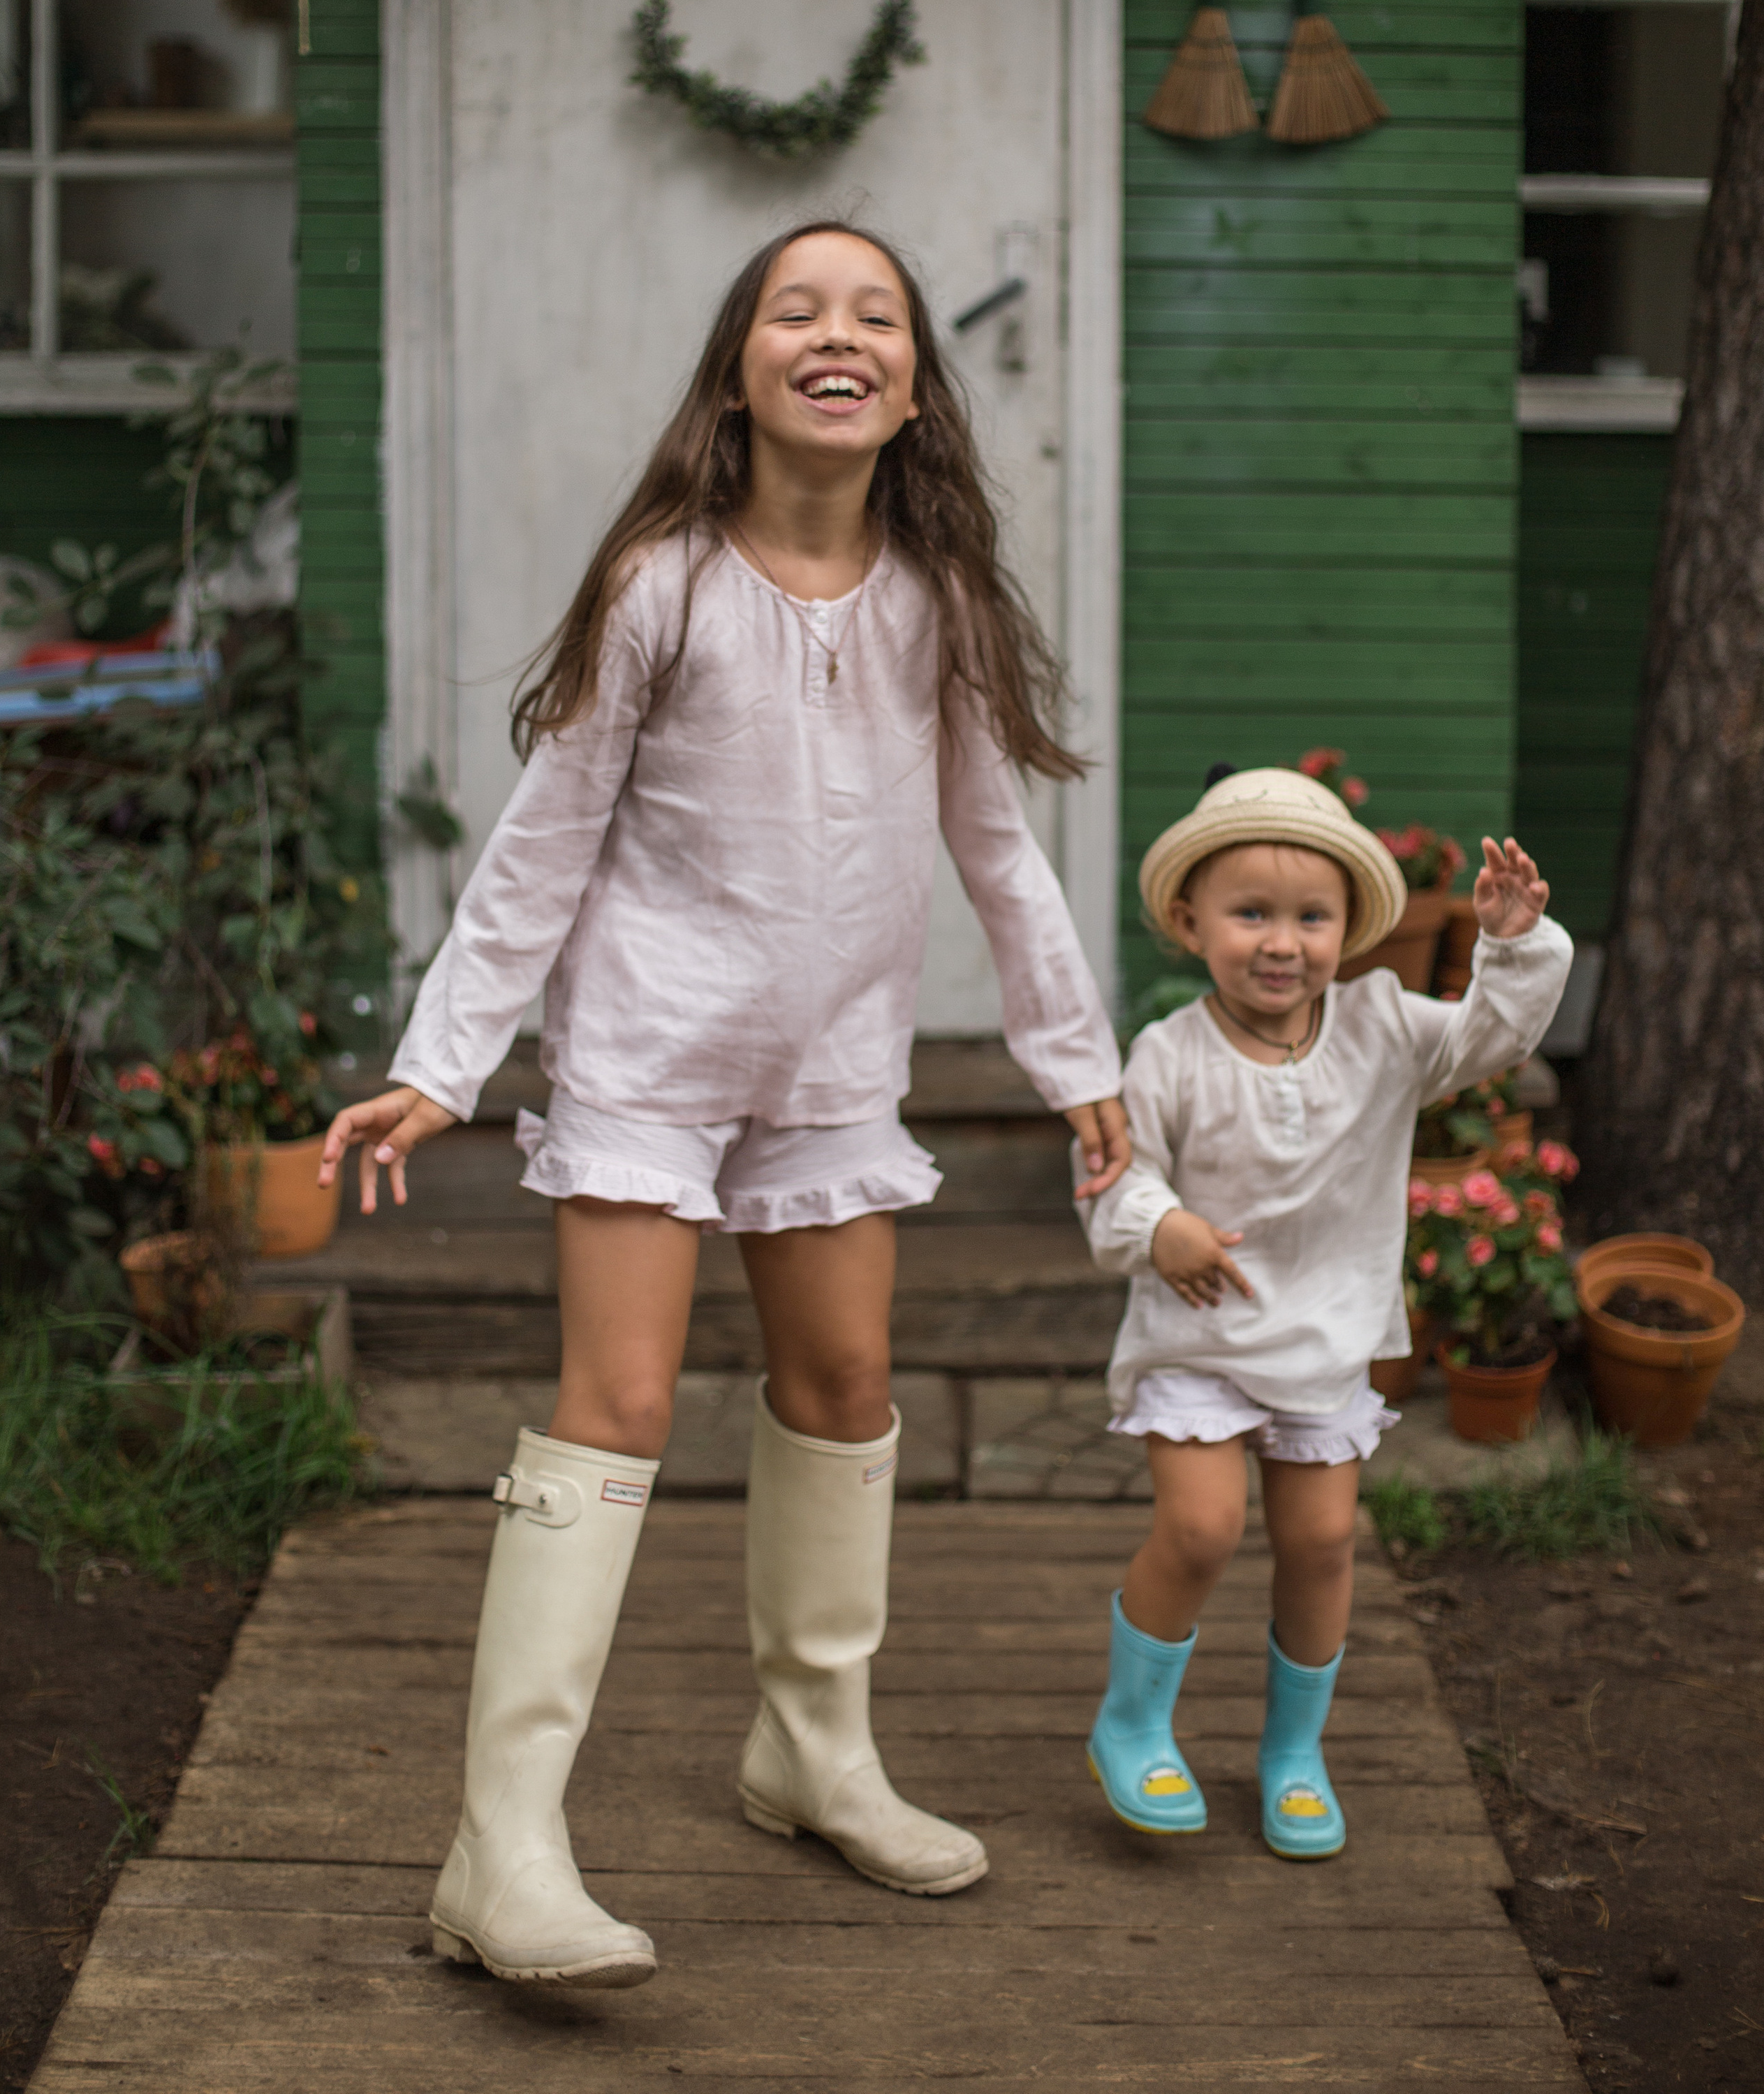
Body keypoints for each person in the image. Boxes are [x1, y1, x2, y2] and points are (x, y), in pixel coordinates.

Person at [320, 221, 1127, 1986]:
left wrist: (1078, 1066)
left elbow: (997, 849)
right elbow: (543, 844)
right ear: (739, 371)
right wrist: (434, 1064)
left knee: (841, 1386)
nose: (836, 333)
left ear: (914, 390)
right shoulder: (661, 585)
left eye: (876, 316)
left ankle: (812, 1749)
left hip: (832, 1065)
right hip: (648, 1055)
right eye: (795, 308)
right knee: (613, 1403)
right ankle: (500, 1844)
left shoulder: (940, 606)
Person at [1076, 765, 1571, 1859]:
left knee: (1325, 1539)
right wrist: (1163, 1227)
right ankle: (1133, 1720)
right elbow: (1115, 1176)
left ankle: (1293, 1752)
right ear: (1188, 920)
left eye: (1312, 917)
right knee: (1203, 1526)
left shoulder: (1383, 1029)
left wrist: (1512, 945)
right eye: (1250, 914)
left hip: (1324, 1333)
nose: (1282, 942)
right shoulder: (1169, 1054)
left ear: (1349, 931)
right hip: (1198, 1335)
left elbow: (1493, 1035)